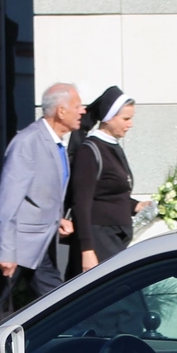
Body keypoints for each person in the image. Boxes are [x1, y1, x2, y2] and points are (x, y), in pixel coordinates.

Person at [0, 82, 83, 308]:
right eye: (78, 106)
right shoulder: (27, 142)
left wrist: (55, 218)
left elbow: (38, 193)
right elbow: (8, 200)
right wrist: (6, 251)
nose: (83, 111)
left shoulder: (54, 143)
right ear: (61, 111)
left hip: (39, 246)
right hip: (17, 246)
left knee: (59, 303)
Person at [67, 87, 140, 273]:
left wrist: (136, 206)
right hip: (99, 238)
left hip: (114, 236)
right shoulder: (90, 151)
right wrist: (87, 249)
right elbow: (81, 203)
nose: (130, 124)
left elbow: (109, 192)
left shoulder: (112, 146)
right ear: (108, 118)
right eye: (125, 119)